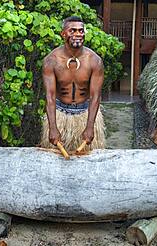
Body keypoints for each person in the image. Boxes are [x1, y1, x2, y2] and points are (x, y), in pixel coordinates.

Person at [40, 16, 105, 151]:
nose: (77, 34)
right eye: (72, 31)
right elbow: (50, 97)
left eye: (81, 31)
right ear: (63, 34)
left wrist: (90, 126)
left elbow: (95, 97)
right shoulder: (51, 60)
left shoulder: (94, 61)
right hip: (59, 116)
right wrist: (53, 127)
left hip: (86, 115)